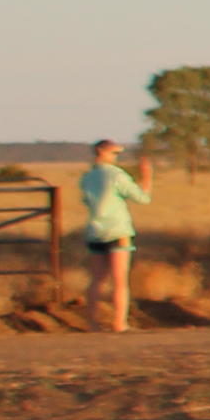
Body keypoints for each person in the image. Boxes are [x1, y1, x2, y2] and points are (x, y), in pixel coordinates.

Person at [77, 136, 149, 333]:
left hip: (95, 231)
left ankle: (92, 323)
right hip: (118, 230)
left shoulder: (87, 177)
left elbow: (86, 201)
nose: (117, 157)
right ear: (103, 152)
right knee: (119, 280)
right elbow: (143, 198)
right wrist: (146, 177)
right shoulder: (116, 175)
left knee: (96, 280)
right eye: (115, 153)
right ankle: (119, 323)